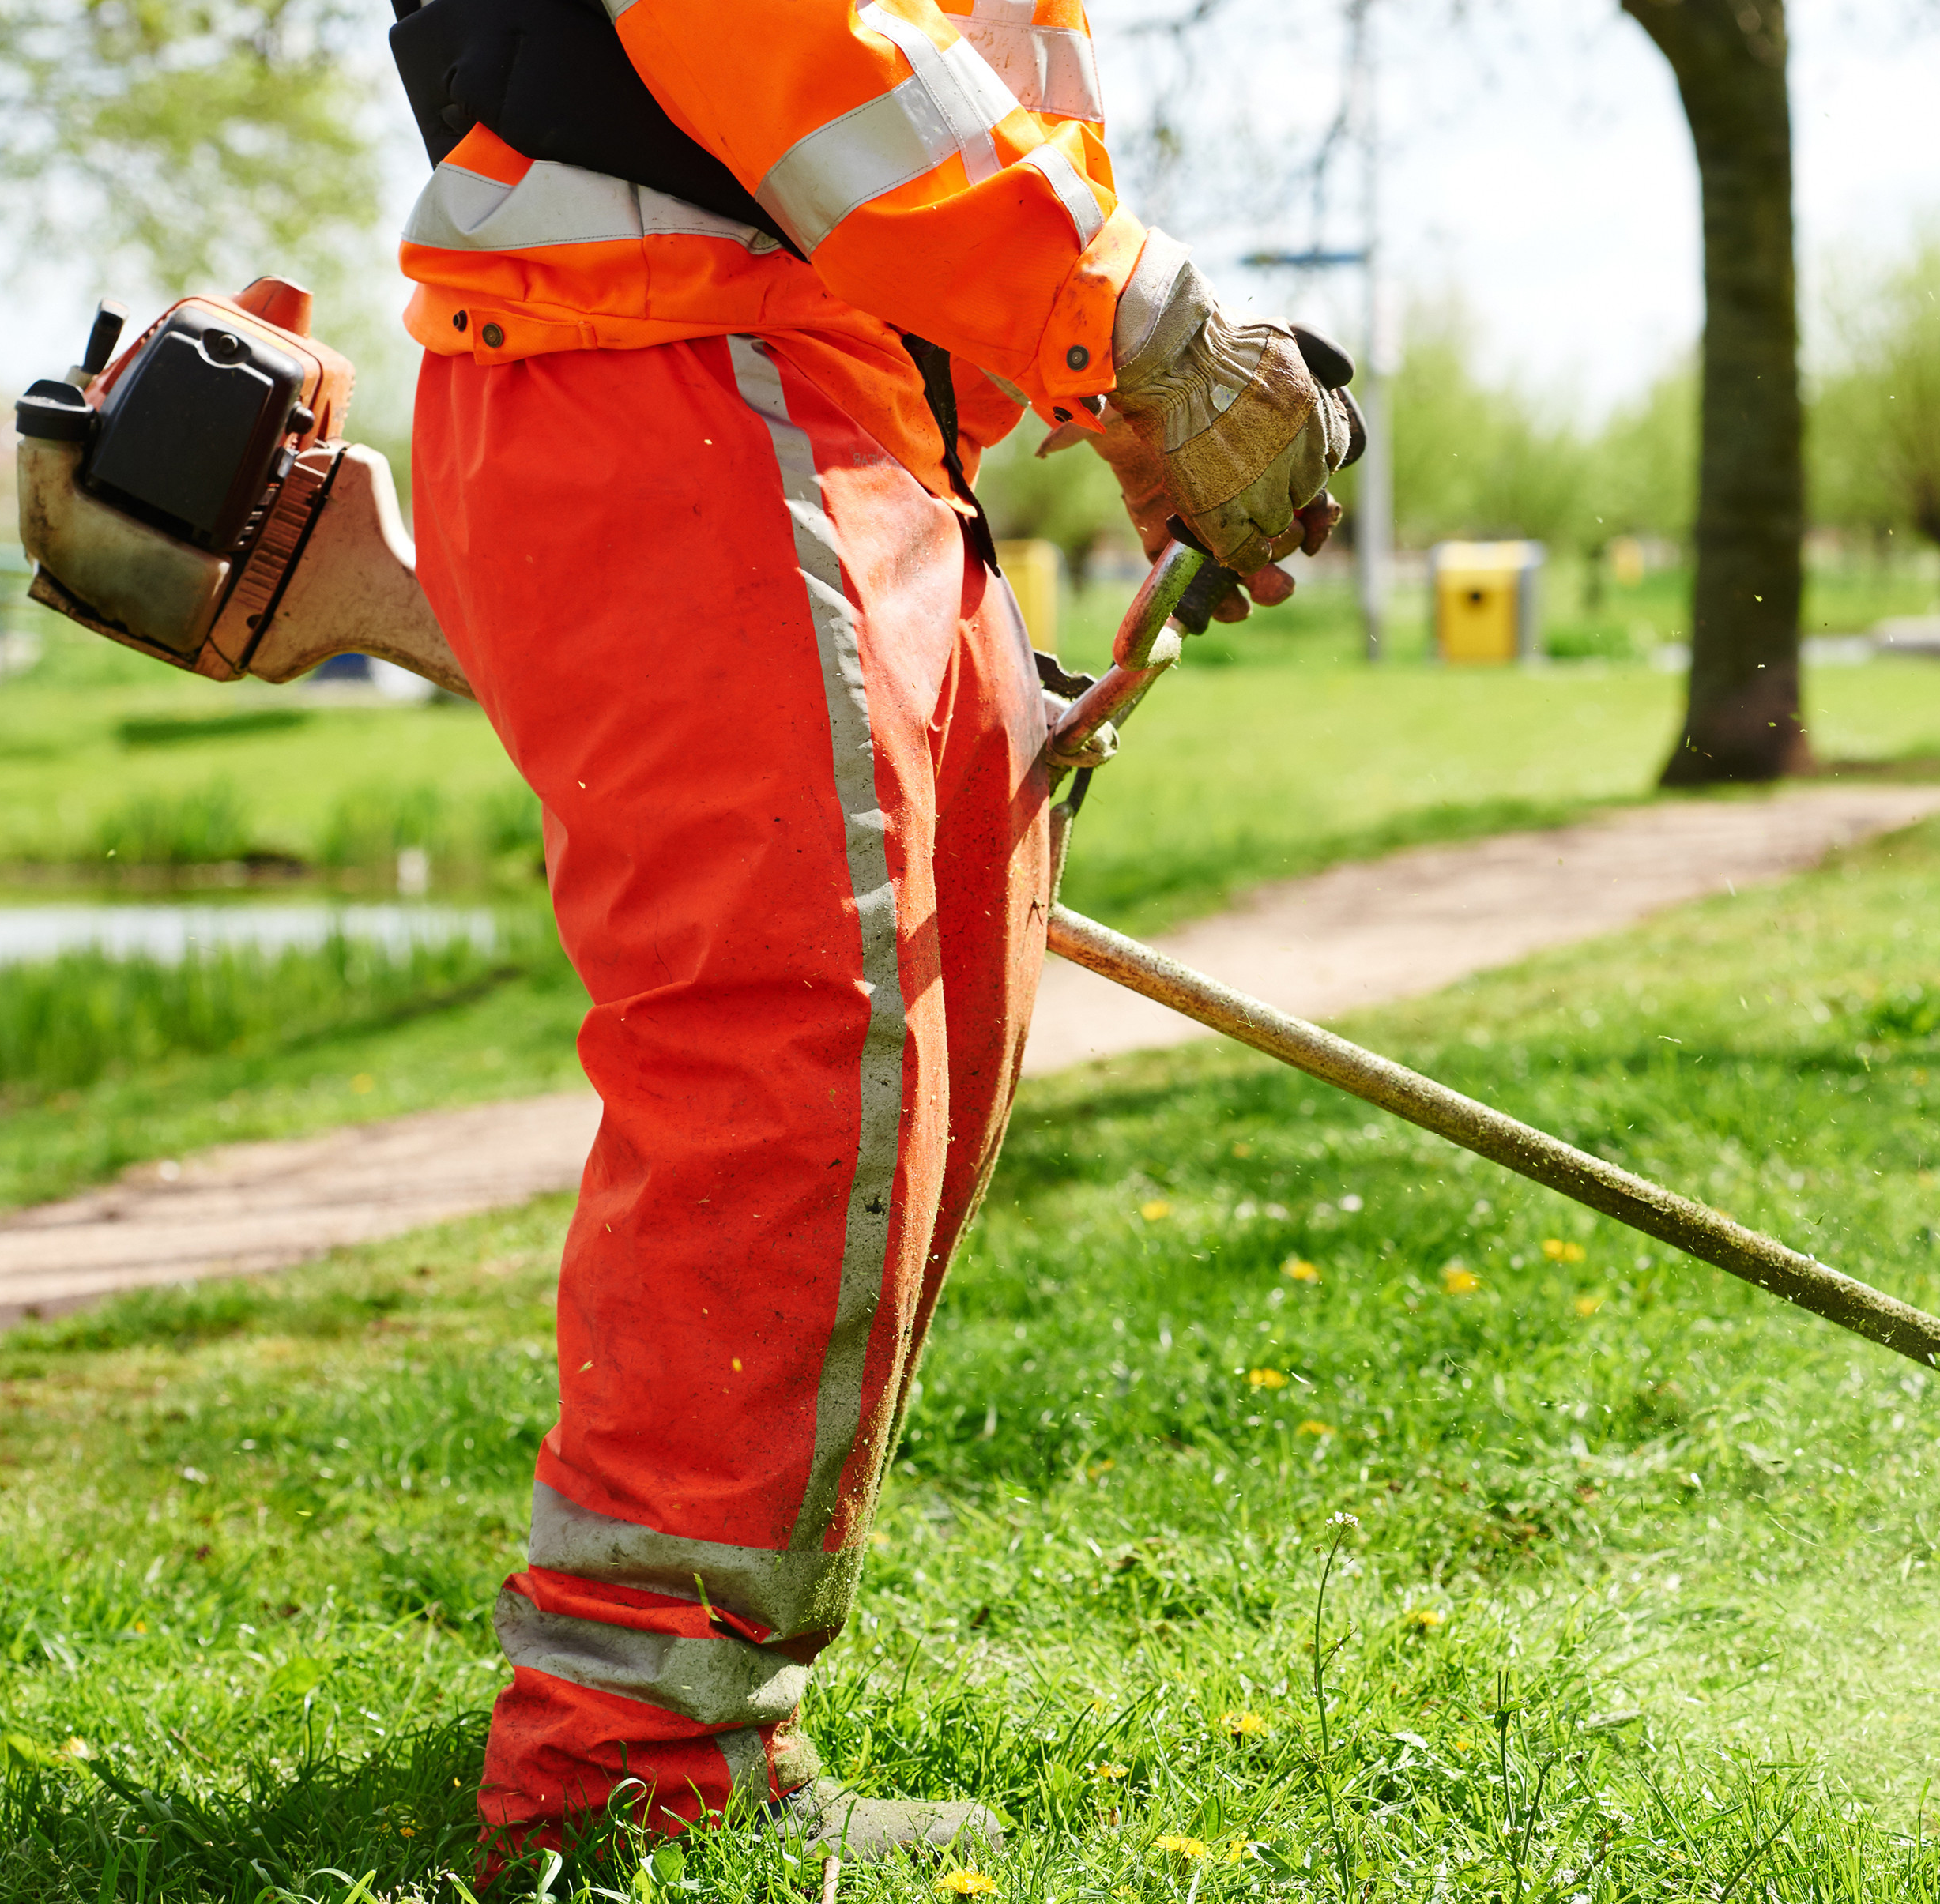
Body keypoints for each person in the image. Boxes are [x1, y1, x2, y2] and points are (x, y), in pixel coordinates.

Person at [387, 0, 1356, 1862]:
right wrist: (1149, 335)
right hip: (678, 361)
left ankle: (684, 1708)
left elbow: (942, 90)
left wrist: (1106, 392)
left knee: (923, 1028)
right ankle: (624, 1767)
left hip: (821, 397)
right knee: (799, 1061)